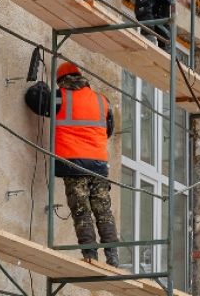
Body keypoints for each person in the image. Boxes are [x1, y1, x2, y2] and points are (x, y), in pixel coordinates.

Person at [25, 61, 120, 267]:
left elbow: (34, 99)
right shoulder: (102, 101)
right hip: (98, 165)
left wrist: (41, 86)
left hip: (73, 164)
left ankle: (90, 256)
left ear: (62, 81)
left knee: (81, 210)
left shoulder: (60, 97)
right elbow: (109, 130)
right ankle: (113, 257)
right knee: (103, 211)